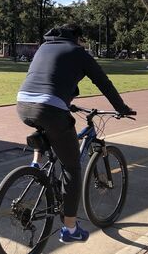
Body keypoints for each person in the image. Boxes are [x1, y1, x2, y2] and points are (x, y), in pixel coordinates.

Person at [17, 23, 133, 244]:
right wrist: (122, 108)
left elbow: (49, 77)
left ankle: (36, 166)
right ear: (76, 37)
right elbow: (103, 82)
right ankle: (70, 229)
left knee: (49, 131)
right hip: (49, 107)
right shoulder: (78, 52)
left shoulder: (43, 47)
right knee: (71, 167)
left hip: (23, 103)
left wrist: (64, 100)